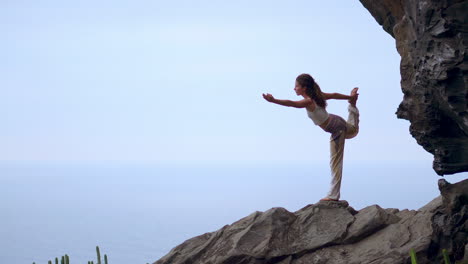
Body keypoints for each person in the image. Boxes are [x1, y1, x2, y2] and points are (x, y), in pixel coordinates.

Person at [262, 73, 359, 201]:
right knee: (353, 130)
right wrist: (350, 97)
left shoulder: (309, 101)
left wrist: (274, 100)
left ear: (304, 88)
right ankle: (352, 106)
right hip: (337, 123)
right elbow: (334, 95)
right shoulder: (317, 96)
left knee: (335, 162)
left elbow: (292, 103)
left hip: (337, 128)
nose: (294, 88)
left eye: (296, 86)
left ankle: (333, 195)